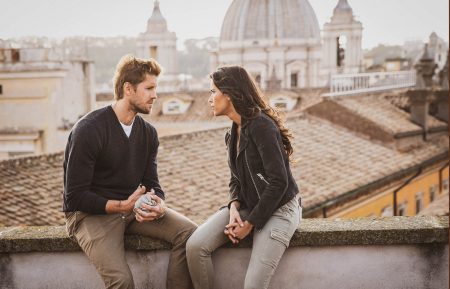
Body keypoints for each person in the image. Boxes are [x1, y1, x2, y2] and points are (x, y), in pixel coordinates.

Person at [63, 54, 197, 289]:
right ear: (128, 89)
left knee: (190, 234)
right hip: (90, 215)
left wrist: (158, 204)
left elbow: (151, 182)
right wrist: (121, 206)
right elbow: (74, 197)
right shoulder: (88, 130)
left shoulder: (148, 133)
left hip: (134, 210)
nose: (155, 95)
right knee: (122, 281)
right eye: (149, 88)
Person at [186, 66, 302, 289]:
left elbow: (279, 182)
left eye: (213, 92)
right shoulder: (232, 133)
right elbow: (236, 180)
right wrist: (233, 208)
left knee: (253, 285)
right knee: (195, 247)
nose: (209, 99)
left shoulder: (262, 126)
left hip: (281, 208)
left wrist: (249, 224)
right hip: (249, 205)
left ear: (228, 94)